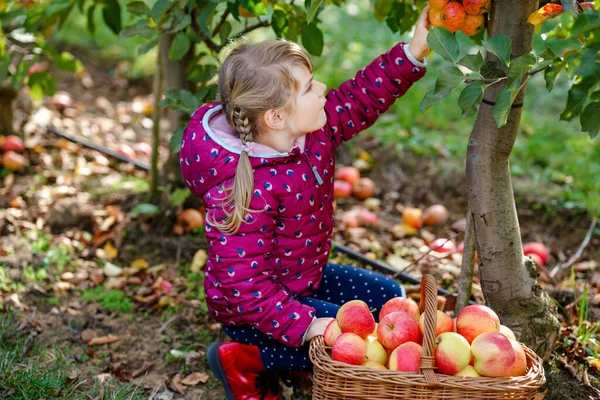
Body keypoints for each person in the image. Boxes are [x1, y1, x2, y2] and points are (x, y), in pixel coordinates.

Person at [179, 6, 431, 400]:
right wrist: (310, 324)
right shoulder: (243, 190)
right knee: (355, 341)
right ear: (277, 117)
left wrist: (413, 52)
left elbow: (359, 98)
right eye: (310, 87)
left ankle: (295, 353)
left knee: (390, 300)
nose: (323, 90)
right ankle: (243, 359)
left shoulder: (309, 130)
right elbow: (246, 287)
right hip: (251, 310)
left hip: (301, 277)